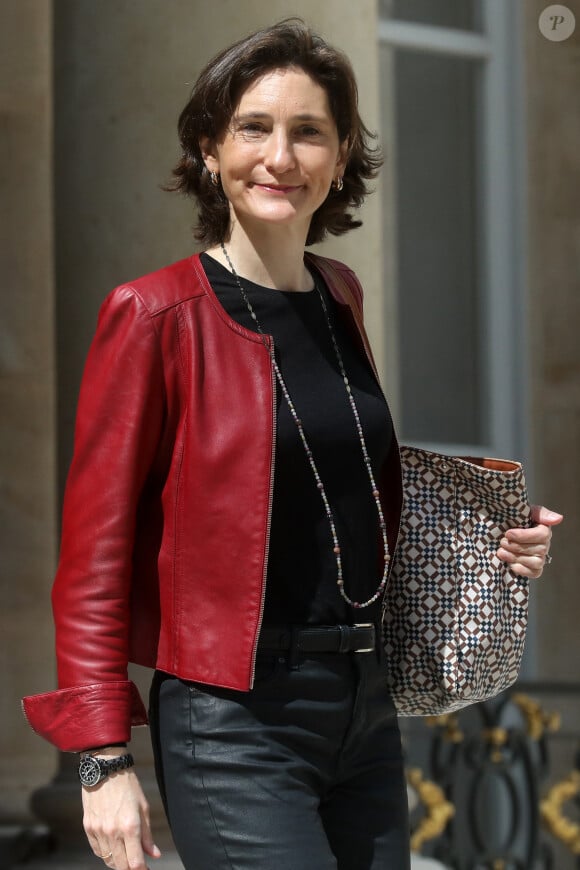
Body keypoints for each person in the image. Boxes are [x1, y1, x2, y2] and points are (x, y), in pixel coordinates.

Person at [22, 19, 561, 870]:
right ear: (208, 148)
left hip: (363, 706)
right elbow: (93, 562)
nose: (281, 156)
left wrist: (486, 544)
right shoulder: (155, 317)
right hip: (231, 718)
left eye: (308, 132)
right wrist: (101, 756)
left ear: (341, 157)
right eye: (253, 128)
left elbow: (335, 484)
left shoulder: (339, 296)